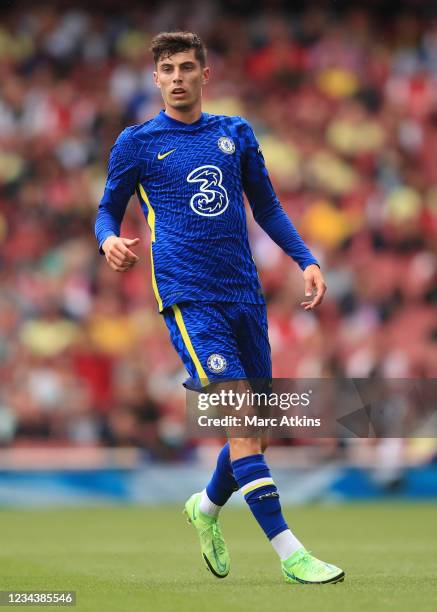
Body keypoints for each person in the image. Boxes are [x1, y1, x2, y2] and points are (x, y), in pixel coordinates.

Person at [95, 30, 344, 585]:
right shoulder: (136, 143)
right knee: (241, 420)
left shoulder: (235, 133)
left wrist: (306, 259)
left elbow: (268, 206)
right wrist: (108, 240)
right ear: (155, 79)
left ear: (205, 75)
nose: (177, 77)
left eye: (187, 67)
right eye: (168, 70)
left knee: (258, 428)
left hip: (244, 295)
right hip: (188, 299)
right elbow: (106, 210)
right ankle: (291, 554)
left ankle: (205, 508)